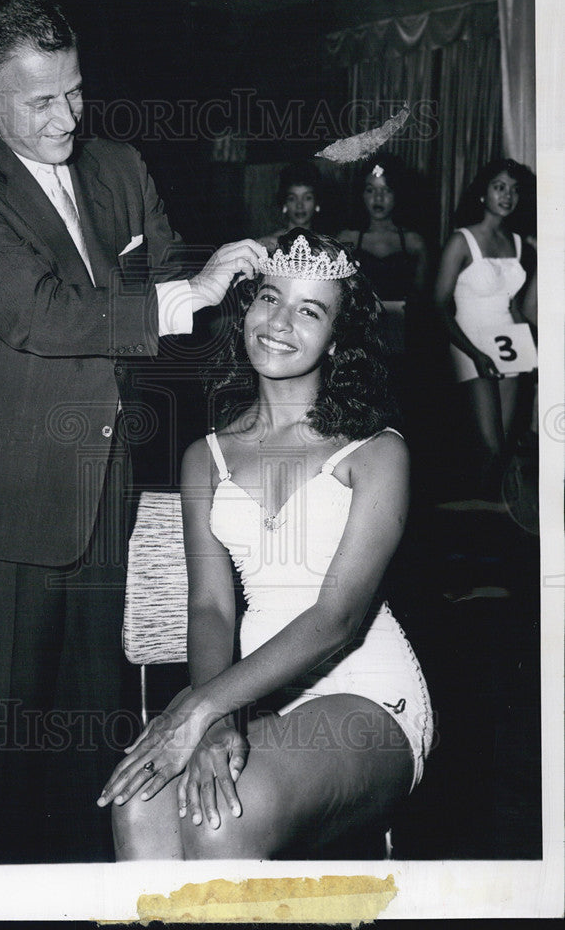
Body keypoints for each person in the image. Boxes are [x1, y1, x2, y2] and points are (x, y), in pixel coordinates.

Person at [0, 0, 263, 866]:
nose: (66, 117)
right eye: (39, 101)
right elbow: (40, 314)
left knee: (93, 734)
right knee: (0, 747)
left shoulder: (119, 165)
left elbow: (177, 276)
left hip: (102, 491)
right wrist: (188, 293)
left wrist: (255, 288)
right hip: (8, 503)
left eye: (74, 92)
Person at [98, 228, 433, 860]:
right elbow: (212, 609)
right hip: (243, 689)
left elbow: (338, 619)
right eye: (268, 297)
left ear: (337, 337)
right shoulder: (206, 457)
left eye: (309, 310)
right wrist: (218, 716)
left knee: (220, 817)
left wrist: (201, 709)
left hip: (363, 689)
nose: (278, 323)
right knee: (137, 804)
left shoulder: (379, 453)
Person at [434, 158, 535, 500]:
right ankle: (472, 526)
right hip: (469, 342)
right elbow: (440, 305)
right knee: (489, 447)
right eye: (499, 187)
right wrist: (474, 353)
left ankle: (492, 522)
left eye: (514, 189)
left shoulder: (520, 244)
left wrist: (532, 354)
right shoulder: (462, 241)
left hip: (510, 341)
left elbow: (516, 307)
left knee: (504, 448)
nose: (507, 196)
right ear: (483, 193)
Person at [337, 153, 428, 361]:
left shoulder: (414, 243)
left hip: (404, 340)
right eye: (370, 190)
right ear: (361, 194)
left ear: (398, 194)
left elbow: (423, 301)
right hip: (359, 338)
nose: (378, 198)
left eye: (385, 190)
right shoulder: (346, 239)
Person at [257, 162, 323, 254]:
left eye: (307, 198)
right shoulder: (267, 245)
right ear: (284, 203)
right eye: (292, 199)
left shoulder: (326, 245)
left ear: (317, 202)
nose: (299, 205)